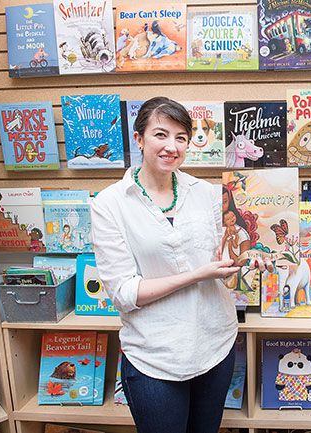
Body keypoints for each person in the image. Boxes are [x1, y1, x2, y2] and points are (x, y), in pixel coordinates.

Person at [91, 97, 258, 433]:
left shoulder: (209, 194)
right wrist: (197, 275)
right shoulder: (109, 204)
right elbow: (124, 293)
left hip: (215, 345)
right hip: (155, 357)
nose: (172, 146)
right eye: (161, 135)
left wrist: (253, 258)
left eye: (181, 137)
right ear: (139, 139)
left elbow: (228, 257)